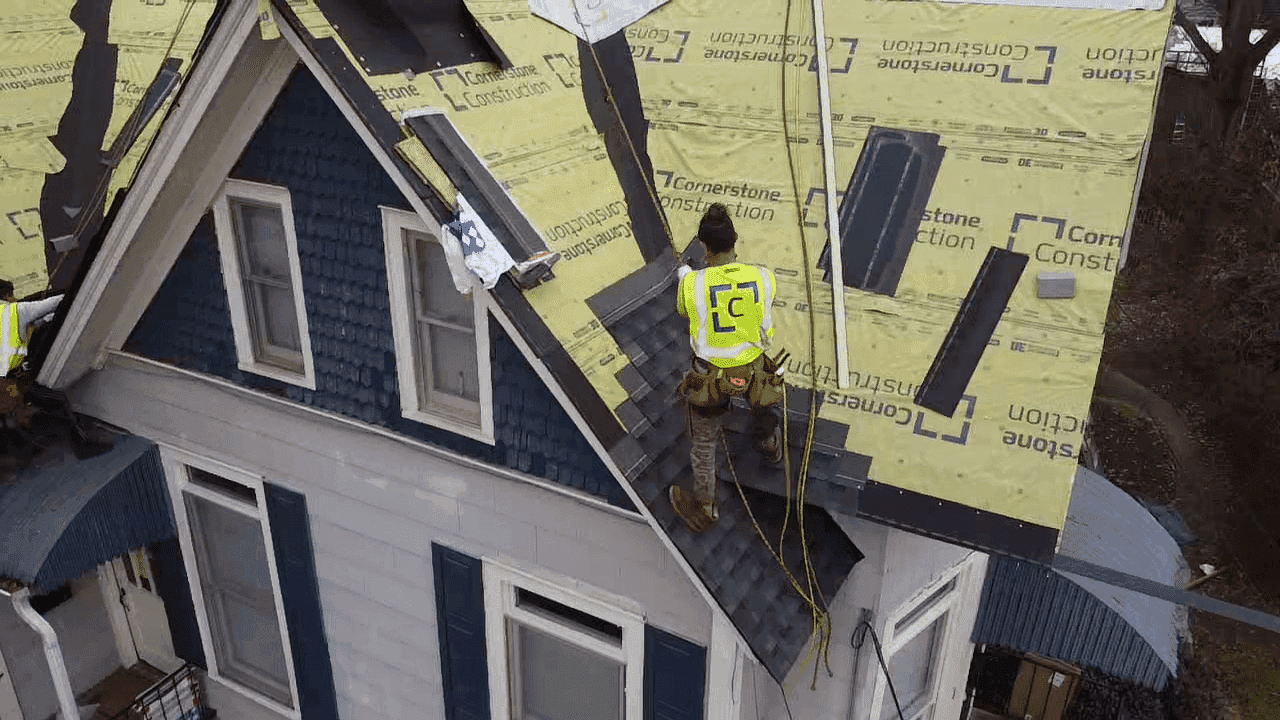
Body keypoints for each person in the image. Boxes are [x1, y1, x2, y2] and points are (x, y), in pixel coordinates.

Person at [669, 203, 785, 533]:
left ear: (704, 247)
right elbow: (760, 305)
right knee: (764, 405)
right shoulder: (763, 277)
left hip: (711, 377)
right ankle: (770, 447)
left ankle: (705, 504)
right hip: (752, 369)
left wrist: (686, 278)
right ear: (735, 242)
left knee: (704, 441)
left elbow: (683, 311)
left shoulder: (693, 285)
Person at [1, 279, 63, 378]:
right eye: (12, 294)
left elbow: (35, 323)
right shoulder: (17, 310)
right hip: (14, 377)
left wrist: (49, 318)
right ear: (7, 295)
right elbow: (55, 302)